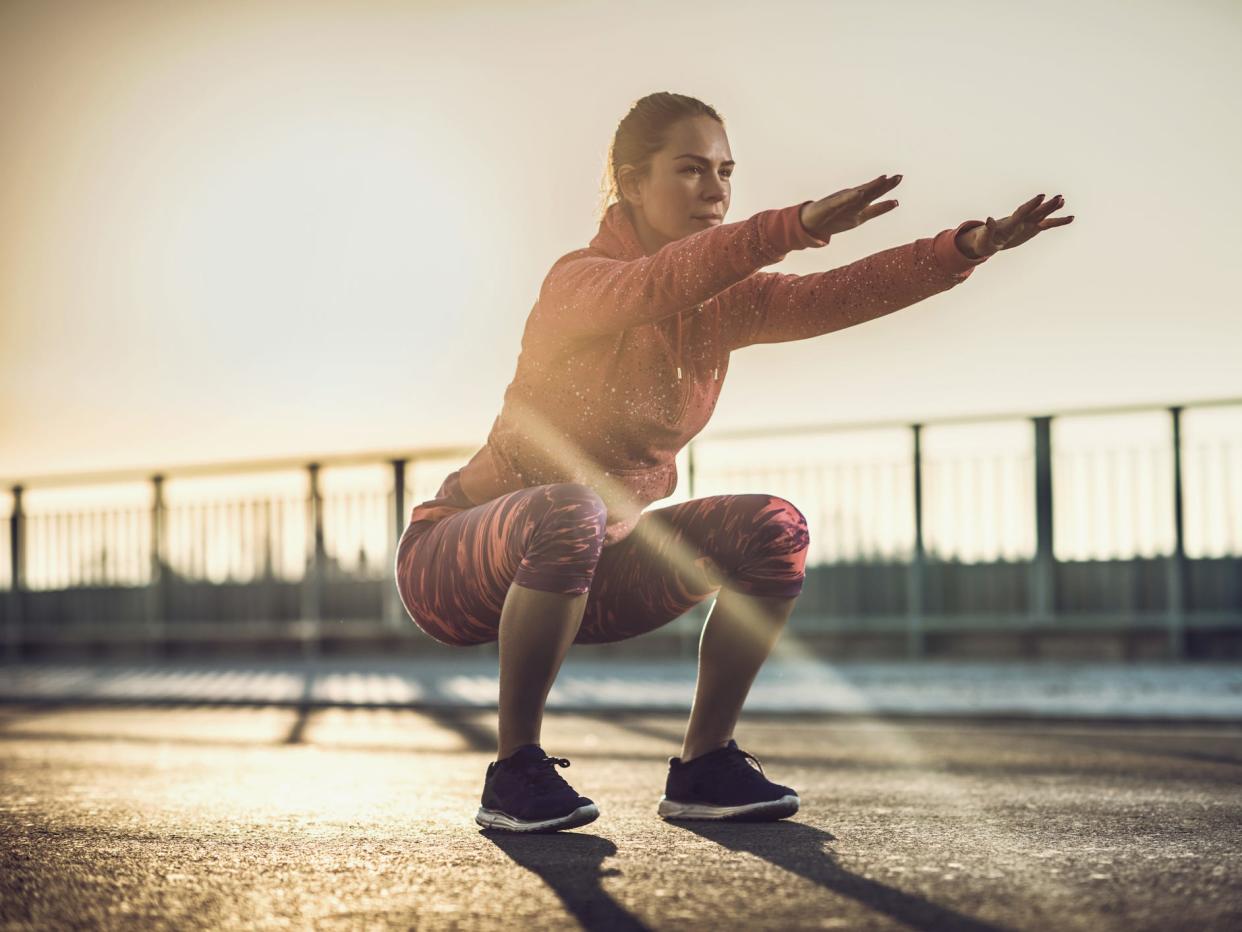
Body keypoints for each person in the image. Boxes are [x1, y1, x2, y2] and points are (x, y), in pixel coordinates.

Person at [393, 92, 1073, 833]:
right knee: (570, 506)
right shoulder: (578, 285)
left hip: (588, 571)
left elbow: (835, 295)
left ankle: (704, 765)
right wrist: (792, 227)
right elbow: (661, 283)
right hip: (453, 565)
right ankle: (513, 770)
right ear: (629, 182)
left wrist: (963, 248)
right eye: (689, 170)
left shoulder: (722, 308)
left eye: (725, 171)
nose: (714, 189)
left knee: (774, 527)